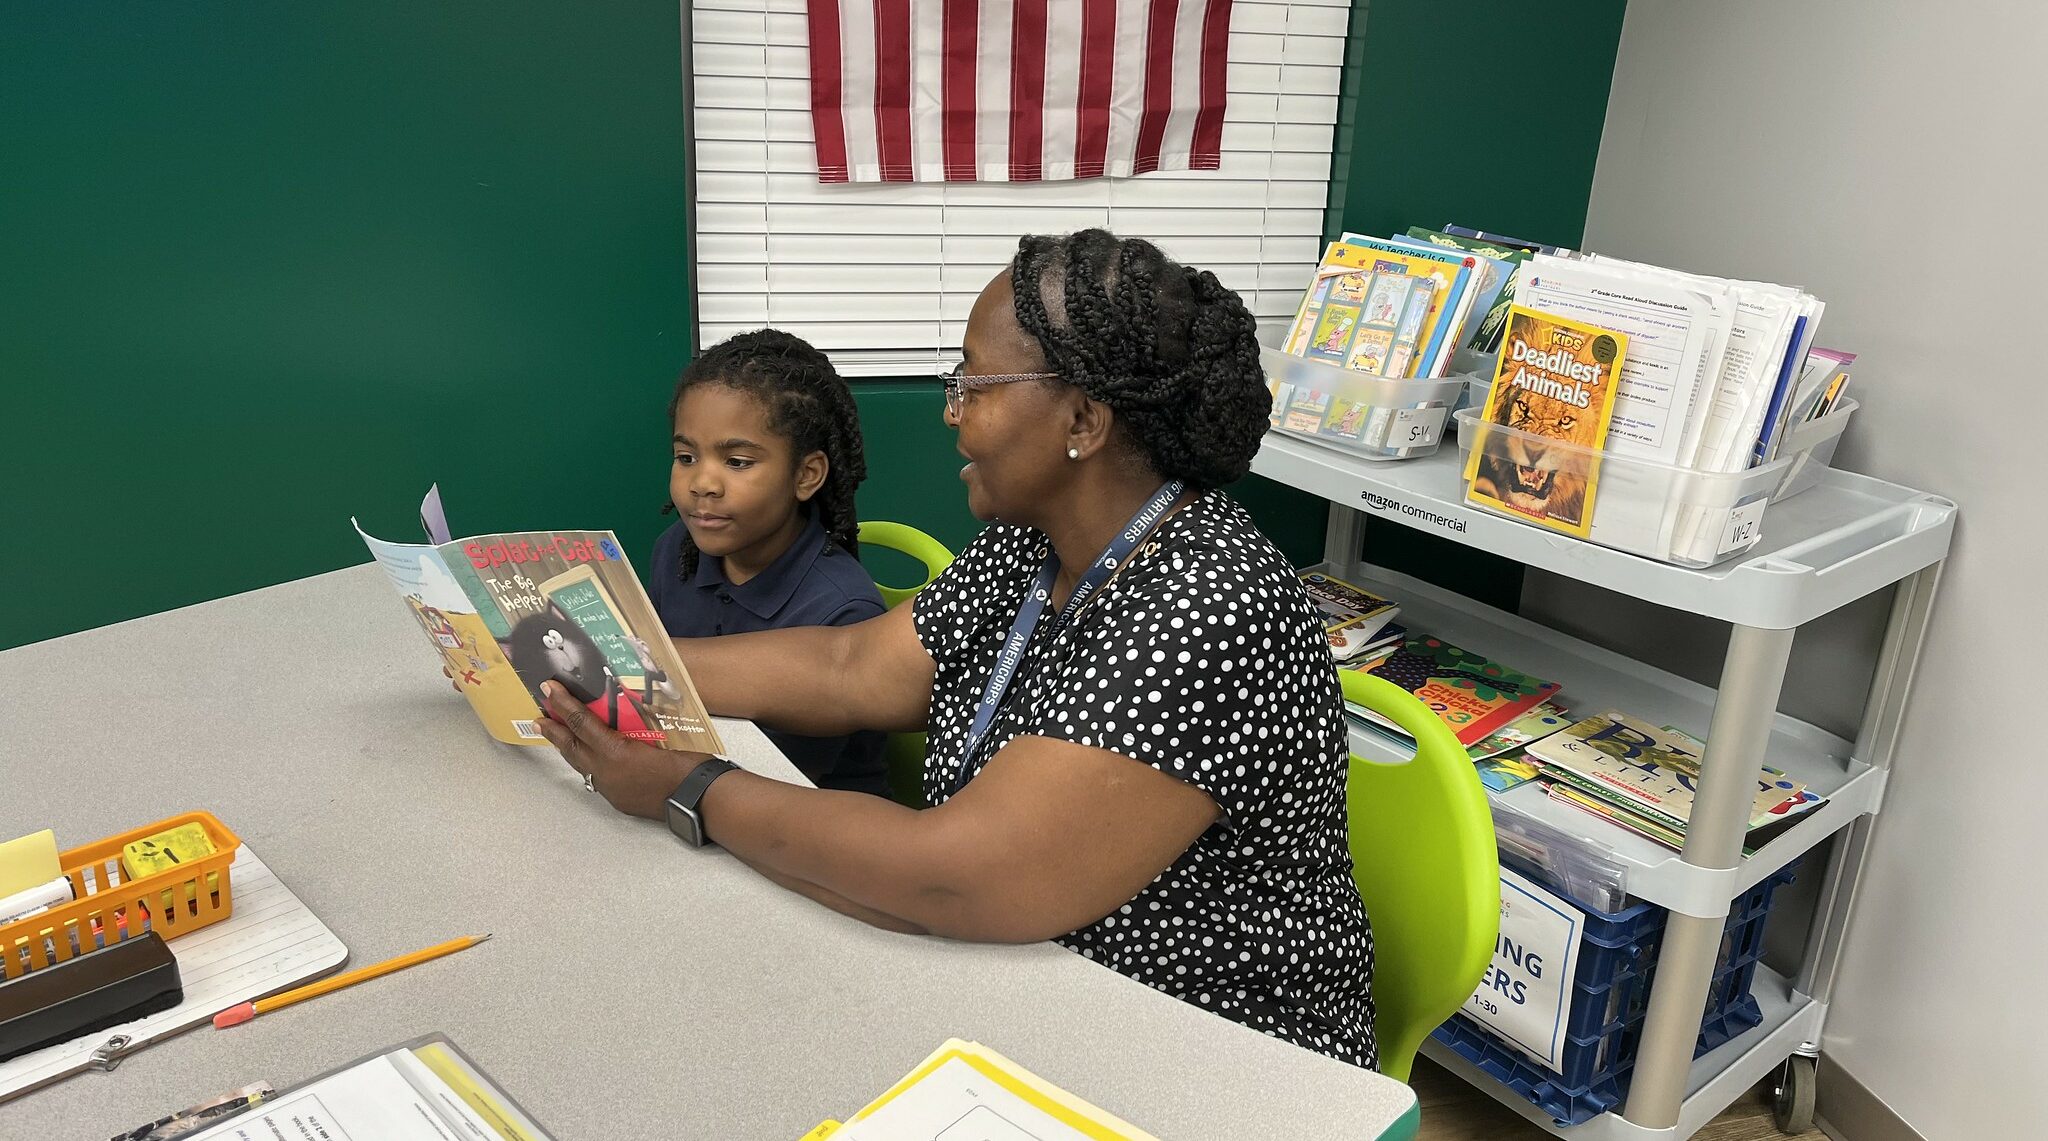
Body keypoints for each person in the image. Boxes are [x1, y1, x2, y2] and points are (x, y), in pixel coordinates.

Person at [538, 230, 1375, 1068]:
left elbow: (958, 875)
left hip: (1203, 1050)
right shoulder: (1034, 539)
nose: (951, 409)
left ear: (1083, 418)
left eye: (975, 382)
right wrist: (606, 658)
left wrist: (689, 789)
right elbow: (852, 667)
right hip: (1019, 976)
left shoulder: (1206, 608)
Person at [649, 328, 889, 795]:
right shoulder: (676, 551)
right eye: (685, 456)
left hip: (798, 813)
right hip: (689, 782)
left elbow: (777, 780)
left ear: (806, 475)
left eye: (737, 462)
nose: (703, 483)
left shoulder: (843, 611)